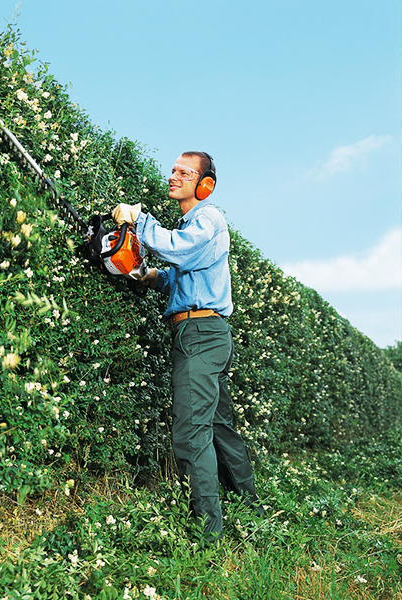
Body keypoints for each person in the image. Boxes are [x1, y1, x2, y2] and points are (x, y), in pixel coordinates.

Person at [112, 151, 263, 543]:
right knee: (218, 426)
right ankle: (250, 505)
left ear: (205, 183)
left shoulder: (207, 218)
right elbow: (182, 276)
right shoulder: (190, 224)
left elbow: (178, 248)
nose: (173, 176)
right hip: (196, 333)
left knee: (191, 430)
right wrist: (148, 276)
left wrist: (138, 220)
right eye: (173, 169)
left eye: (184, 171)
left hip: (201, 335)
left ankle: (208, 534)